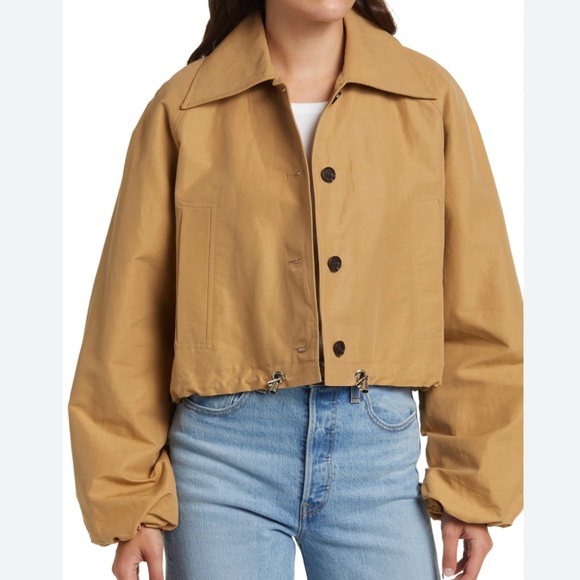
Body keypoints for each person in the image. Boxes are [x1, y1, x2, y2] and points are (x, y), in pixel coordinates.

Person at [68, 1, 523, 579]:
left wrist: (471, 485)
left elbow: (478, 301)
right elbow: (129, 313)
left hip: (378, 458)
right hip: (221, 460)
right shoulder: (184, 108)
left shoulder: (428, 99)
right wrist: (129, 496)